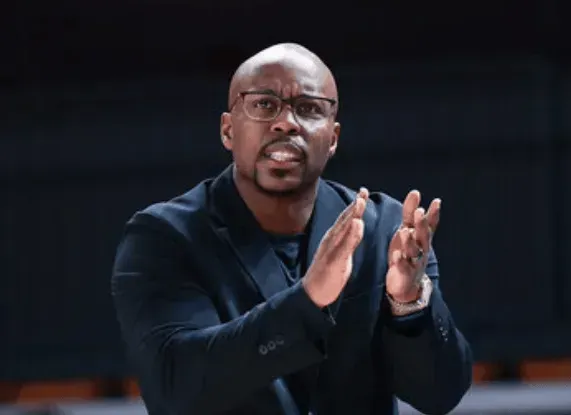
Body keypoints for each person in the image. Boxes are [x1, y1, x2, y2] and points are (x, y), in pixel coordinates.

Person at [111, 43, 473, 415]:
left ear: (332, 139)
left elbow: (440, 395)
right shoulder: (164, 237)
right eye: (263, 104)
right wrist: (309, 300)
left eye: (309, 108)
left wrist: (408, 304)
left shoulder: (385, 231)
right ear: (228, 130)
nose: (286, 122)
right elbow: (176, 388)